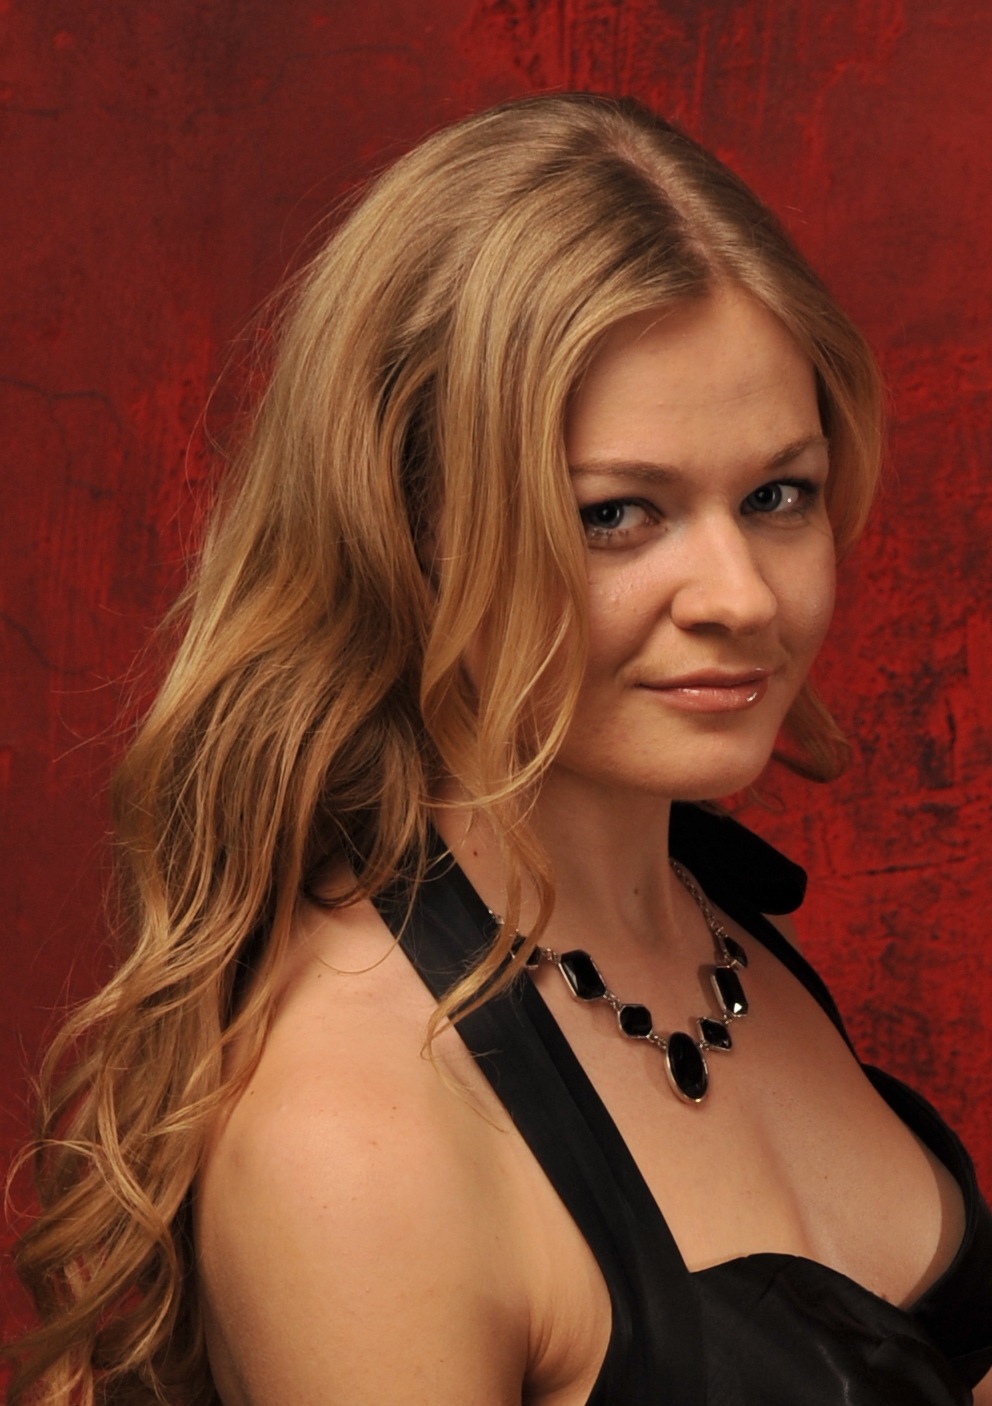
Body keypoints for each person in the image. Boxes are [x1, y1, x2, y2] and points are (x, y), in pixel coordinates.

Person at [7, 93, 992, 1406]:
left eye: (776, 494)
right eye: (617, 514)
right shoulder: (355, 1134)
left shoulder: (713, 925)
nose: (743, 596)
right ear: (403, 526)